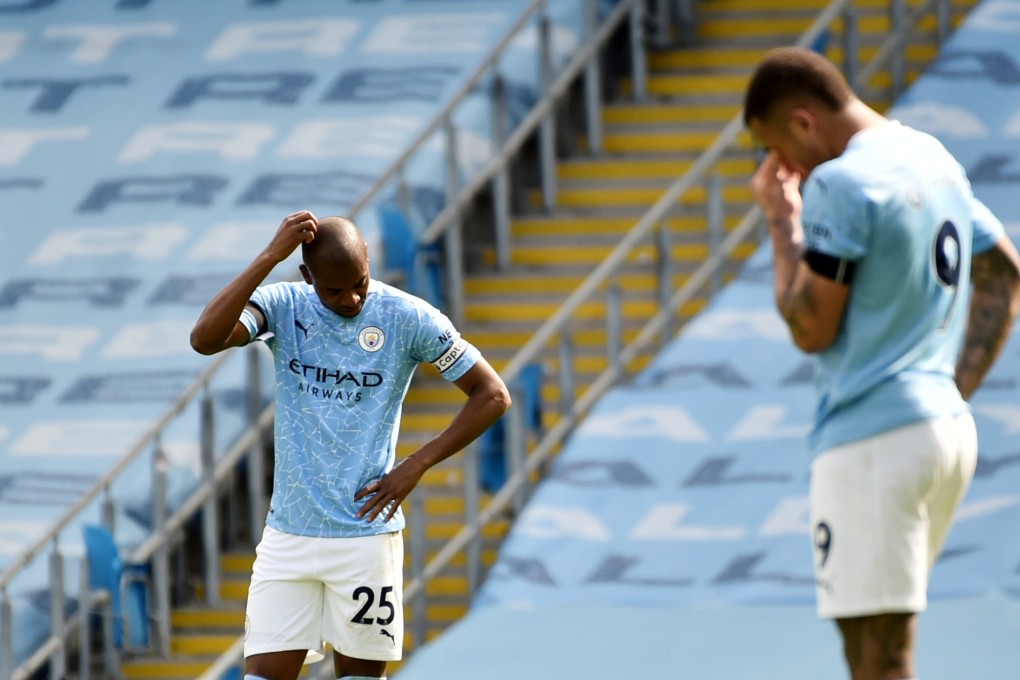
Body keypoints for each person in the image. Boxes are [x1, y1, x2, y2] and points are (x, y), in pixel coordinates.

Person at [744, 47, 1020, 679]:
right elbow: (1004, 274)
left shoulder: (842, 182)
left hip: (873, 438)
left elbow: (810, 326)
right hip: (942, 432)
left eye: (776, 147)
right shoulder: (933, 157)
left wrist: (782, 223)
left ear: (804, 121)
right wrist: (950, 390)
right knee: (876, 649)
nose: (782, 168)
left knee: (879, 659)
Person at [190, 211, 512, 680]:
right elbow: (205, 339)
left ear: (368, 262)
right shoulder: (284, 305)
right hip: (288, 536)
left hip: (364, 537)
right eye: (334, 290)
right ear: (306, 276)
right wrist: (268, 257)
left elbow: (493, 395)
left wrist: (417, 463)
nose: (352, 298)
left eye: (360, 282)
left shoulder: (408, 317)